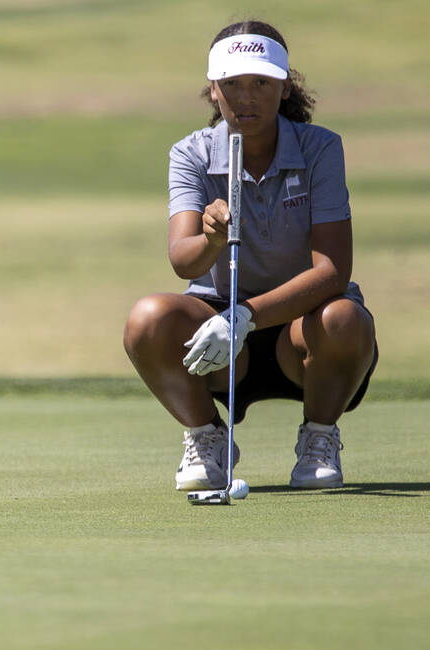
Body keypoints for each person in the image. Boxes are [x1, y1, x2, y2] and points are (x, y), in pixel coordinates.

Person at [123, 19, 378, 491]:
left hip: (305, 326)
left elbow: (333, 271)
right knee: (148, 318)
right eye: (232, 84)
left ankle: (319, 438)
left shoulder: (320, 148)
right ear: (213, 90)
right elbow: (183, 259)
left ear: (284, 87)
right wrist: (213, 241)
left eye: (261, 82)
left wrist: (246, 316)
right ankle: (206, 437)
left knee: (345, 318)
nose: (246, 96)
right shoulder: (191, 153)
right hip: (217, 331)